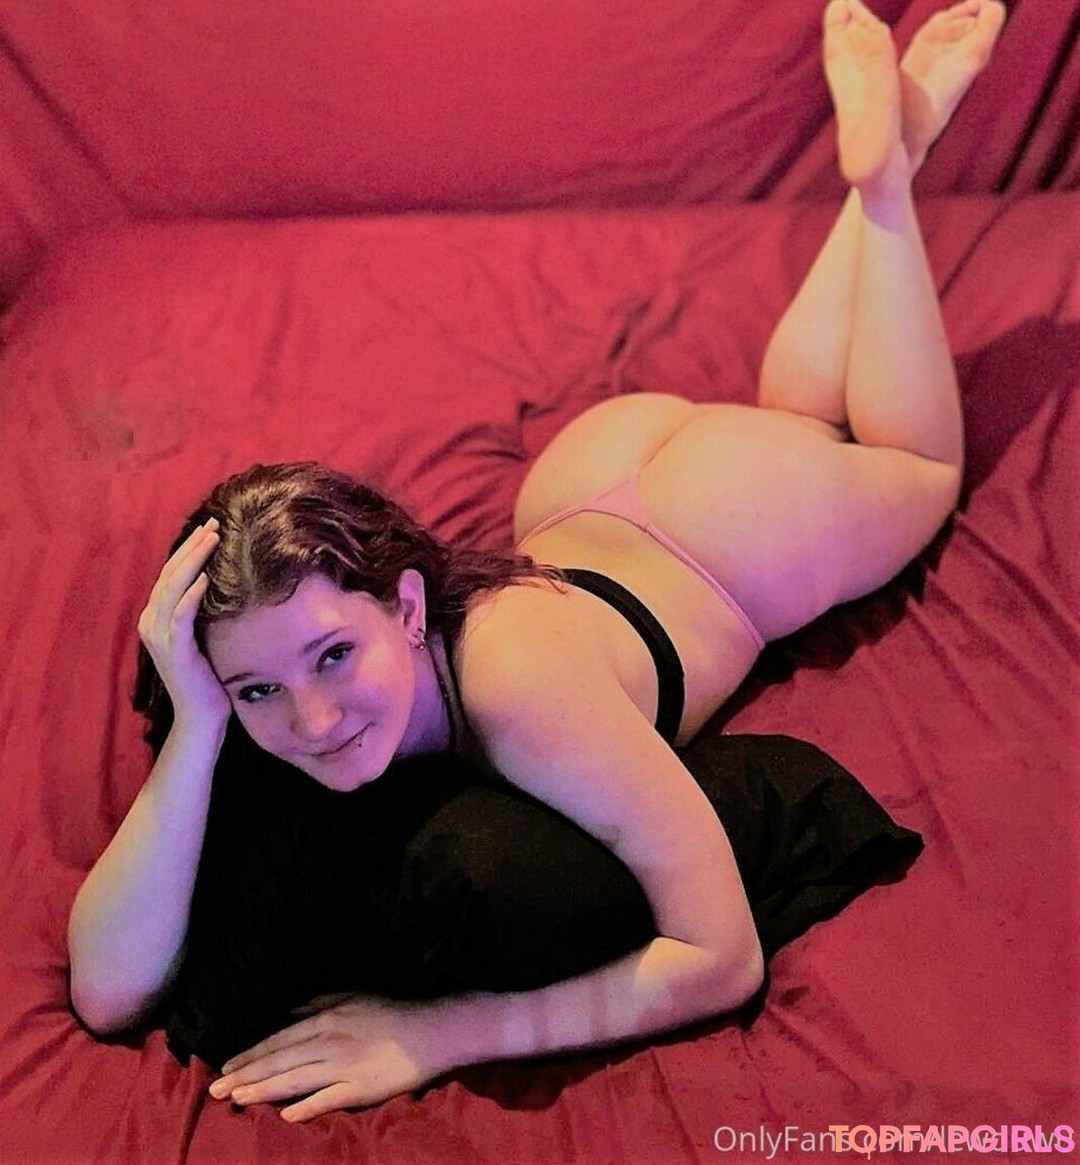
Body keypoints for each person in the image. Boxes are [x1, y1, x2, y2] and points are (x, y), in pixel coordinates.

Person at [67, 0, 1006, 1123]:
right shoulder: (269, 689)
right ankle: (883, 161)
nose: (311, 721)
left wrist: (437, 1032)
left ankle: (888, 183)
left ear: (405, 605)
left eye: (332, 656)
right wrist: (199, 728)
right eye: (259, 689)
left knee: (915, 464)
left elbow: (721, 956)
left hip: (728, 533)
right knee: (796, 414)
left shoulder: (520, 693)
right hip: (584, 485)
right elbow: (107, 986)